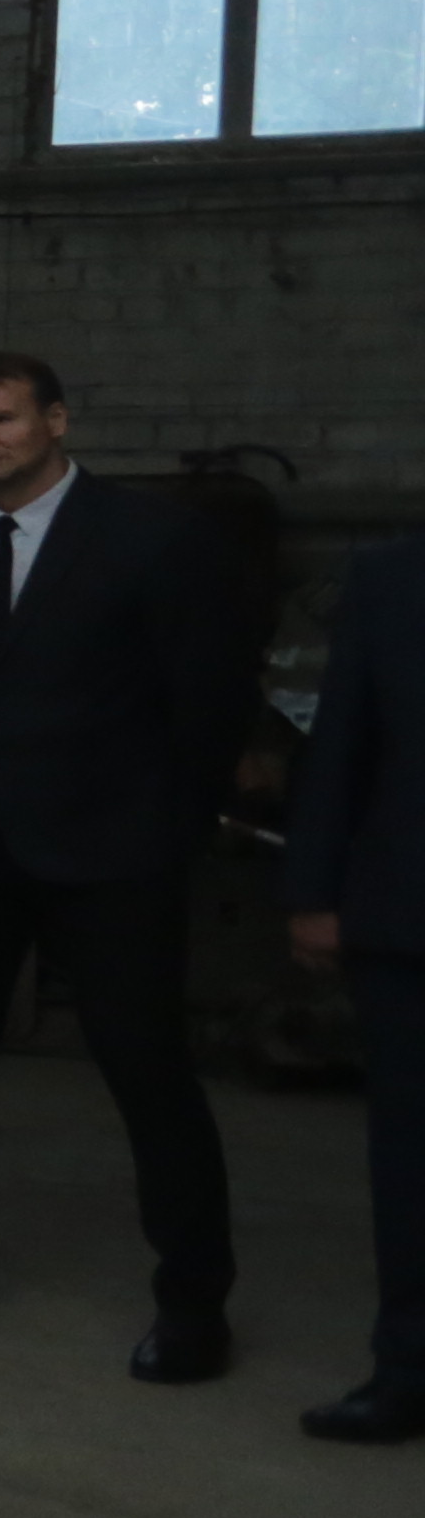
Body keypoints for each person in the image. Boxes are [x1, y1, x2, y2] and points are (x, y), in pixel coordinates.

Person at [0, 352, 254, 1378]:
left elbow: (210, 700)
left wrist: (167, 829)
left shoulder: (155, 536)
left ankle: (194, 1304)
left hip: (111, 852)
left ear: (56, 422)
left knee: (148, 1074)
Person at [282, 521, 425, 1443]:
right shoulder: (390, 576)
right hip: (407, 919)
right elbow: (342, 739)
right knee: (410, 1164)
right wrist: (313, 891)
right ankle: (408, 1370)